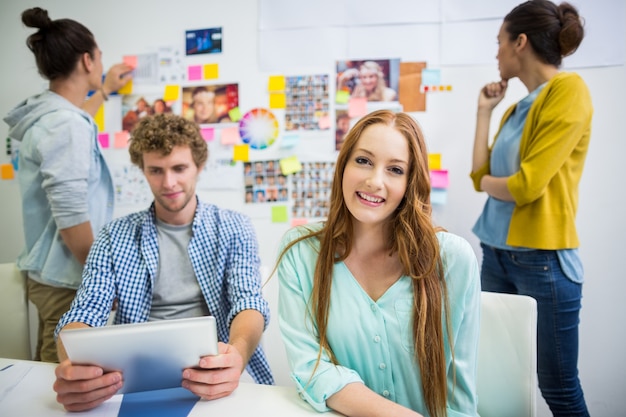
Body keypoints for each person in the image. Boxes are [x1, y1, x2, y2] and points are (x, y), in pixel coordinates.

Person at [52, 114, 274, 411]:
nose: (169, 183)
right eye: (156, 170)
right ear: (142, 170)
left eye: (179, 168)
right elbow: (86, 309)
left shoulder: (235, 227)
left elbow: (248, 301)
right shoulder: (113, 236)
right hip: (135, 379)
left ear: (199, 166)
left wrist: (237, 354)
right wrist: (72, 363)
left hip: (214, 372)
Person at [276, 110, 481, 416]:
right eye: (363, 161)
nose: (375, 181)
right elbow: (312, 368)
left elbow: (457, 390)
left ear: (411, 182)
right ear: (343, 166)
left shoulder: (452, 259)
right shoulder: (300, 252)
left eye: (395, 170)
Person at [469, 1, 592, 416]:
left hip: (543, 263)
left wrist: (488, 184)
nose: (496, 52)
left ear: (520, 42)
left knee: (557, 387)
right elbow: (478, 174)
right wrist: (484, 111)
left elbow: (526, 186)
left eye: (499, 42)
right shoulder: (515, 109)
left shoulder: (568, 91)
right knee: (495, 374)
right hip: (496, 255)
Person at [3, 7, 132, 363]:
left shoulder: (53, 117)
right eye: (100, 56)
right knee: (59, 380)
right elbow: (72, 213)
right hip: (65, 278)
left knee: (54, 374)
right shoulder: (66, 125)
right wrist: (101, 276)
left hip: (50, 274)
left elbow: (75, 124)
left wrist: (104, 91)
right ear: (88, 60)